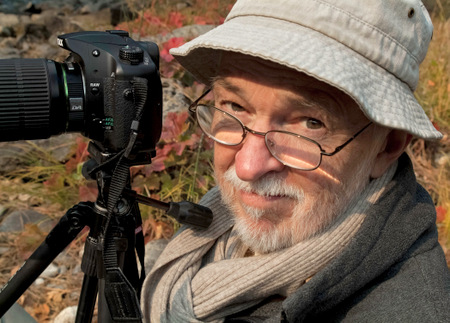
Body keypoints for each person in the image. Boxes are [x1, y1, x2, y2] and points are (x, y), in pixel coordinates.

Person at [141, 0, 450, 321]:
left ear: (388, 146)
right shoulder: (209, 235)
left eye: (310, 123)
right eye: (234, 106)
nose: (248, 167)